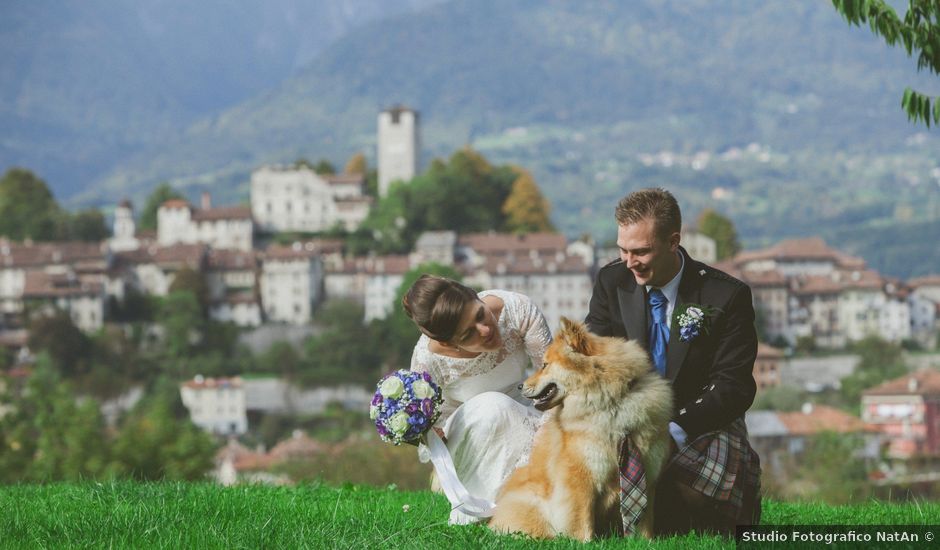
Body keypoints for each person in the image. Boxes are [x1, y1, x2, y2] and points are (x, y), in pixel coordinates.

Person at [585, 188, 762, 536]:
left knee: (694, 490)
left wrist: (673, 432)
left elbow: (734, 385)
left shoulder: (726, 296)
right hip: (628, 417)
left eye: (640, 251)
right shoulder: (611, 281)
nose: (629, 262)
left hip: (702, 421)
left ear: (673, 241)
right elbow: (595, 358)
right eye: (622, 250)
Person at [403, 275, 552, 525]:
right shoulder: (426, 362)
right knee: (494, 406)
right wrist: (429, 436)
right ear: (448, 343)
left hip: (528, 412)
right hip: (472, 436)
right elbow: (433, 431)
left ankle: (528, 509)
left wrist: (547, 431)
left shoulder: (518, 309)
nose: (485, 330)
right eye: (468, 334)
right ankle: (486, 513)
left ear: (476, 296)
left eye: (480, 315)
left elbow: (552, 380)